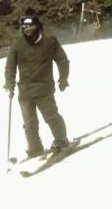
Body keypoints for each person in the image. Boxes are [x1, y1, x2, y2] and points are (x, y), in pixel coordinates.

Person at [4, 12, 71, 158]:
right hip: (25, 91)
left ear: (38, 25)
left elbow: (62, 60)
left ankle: (61, 141)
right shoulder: (17, 44)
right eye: (24, 26)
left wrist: (63, 78)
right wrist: (9, 83)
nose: (27, 28)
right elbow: (10, 66)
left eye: (30, 25)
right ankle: (35, 149)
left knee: (51, 117)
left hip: (44, 89)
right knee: (29, 124)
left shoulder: (50, 42)